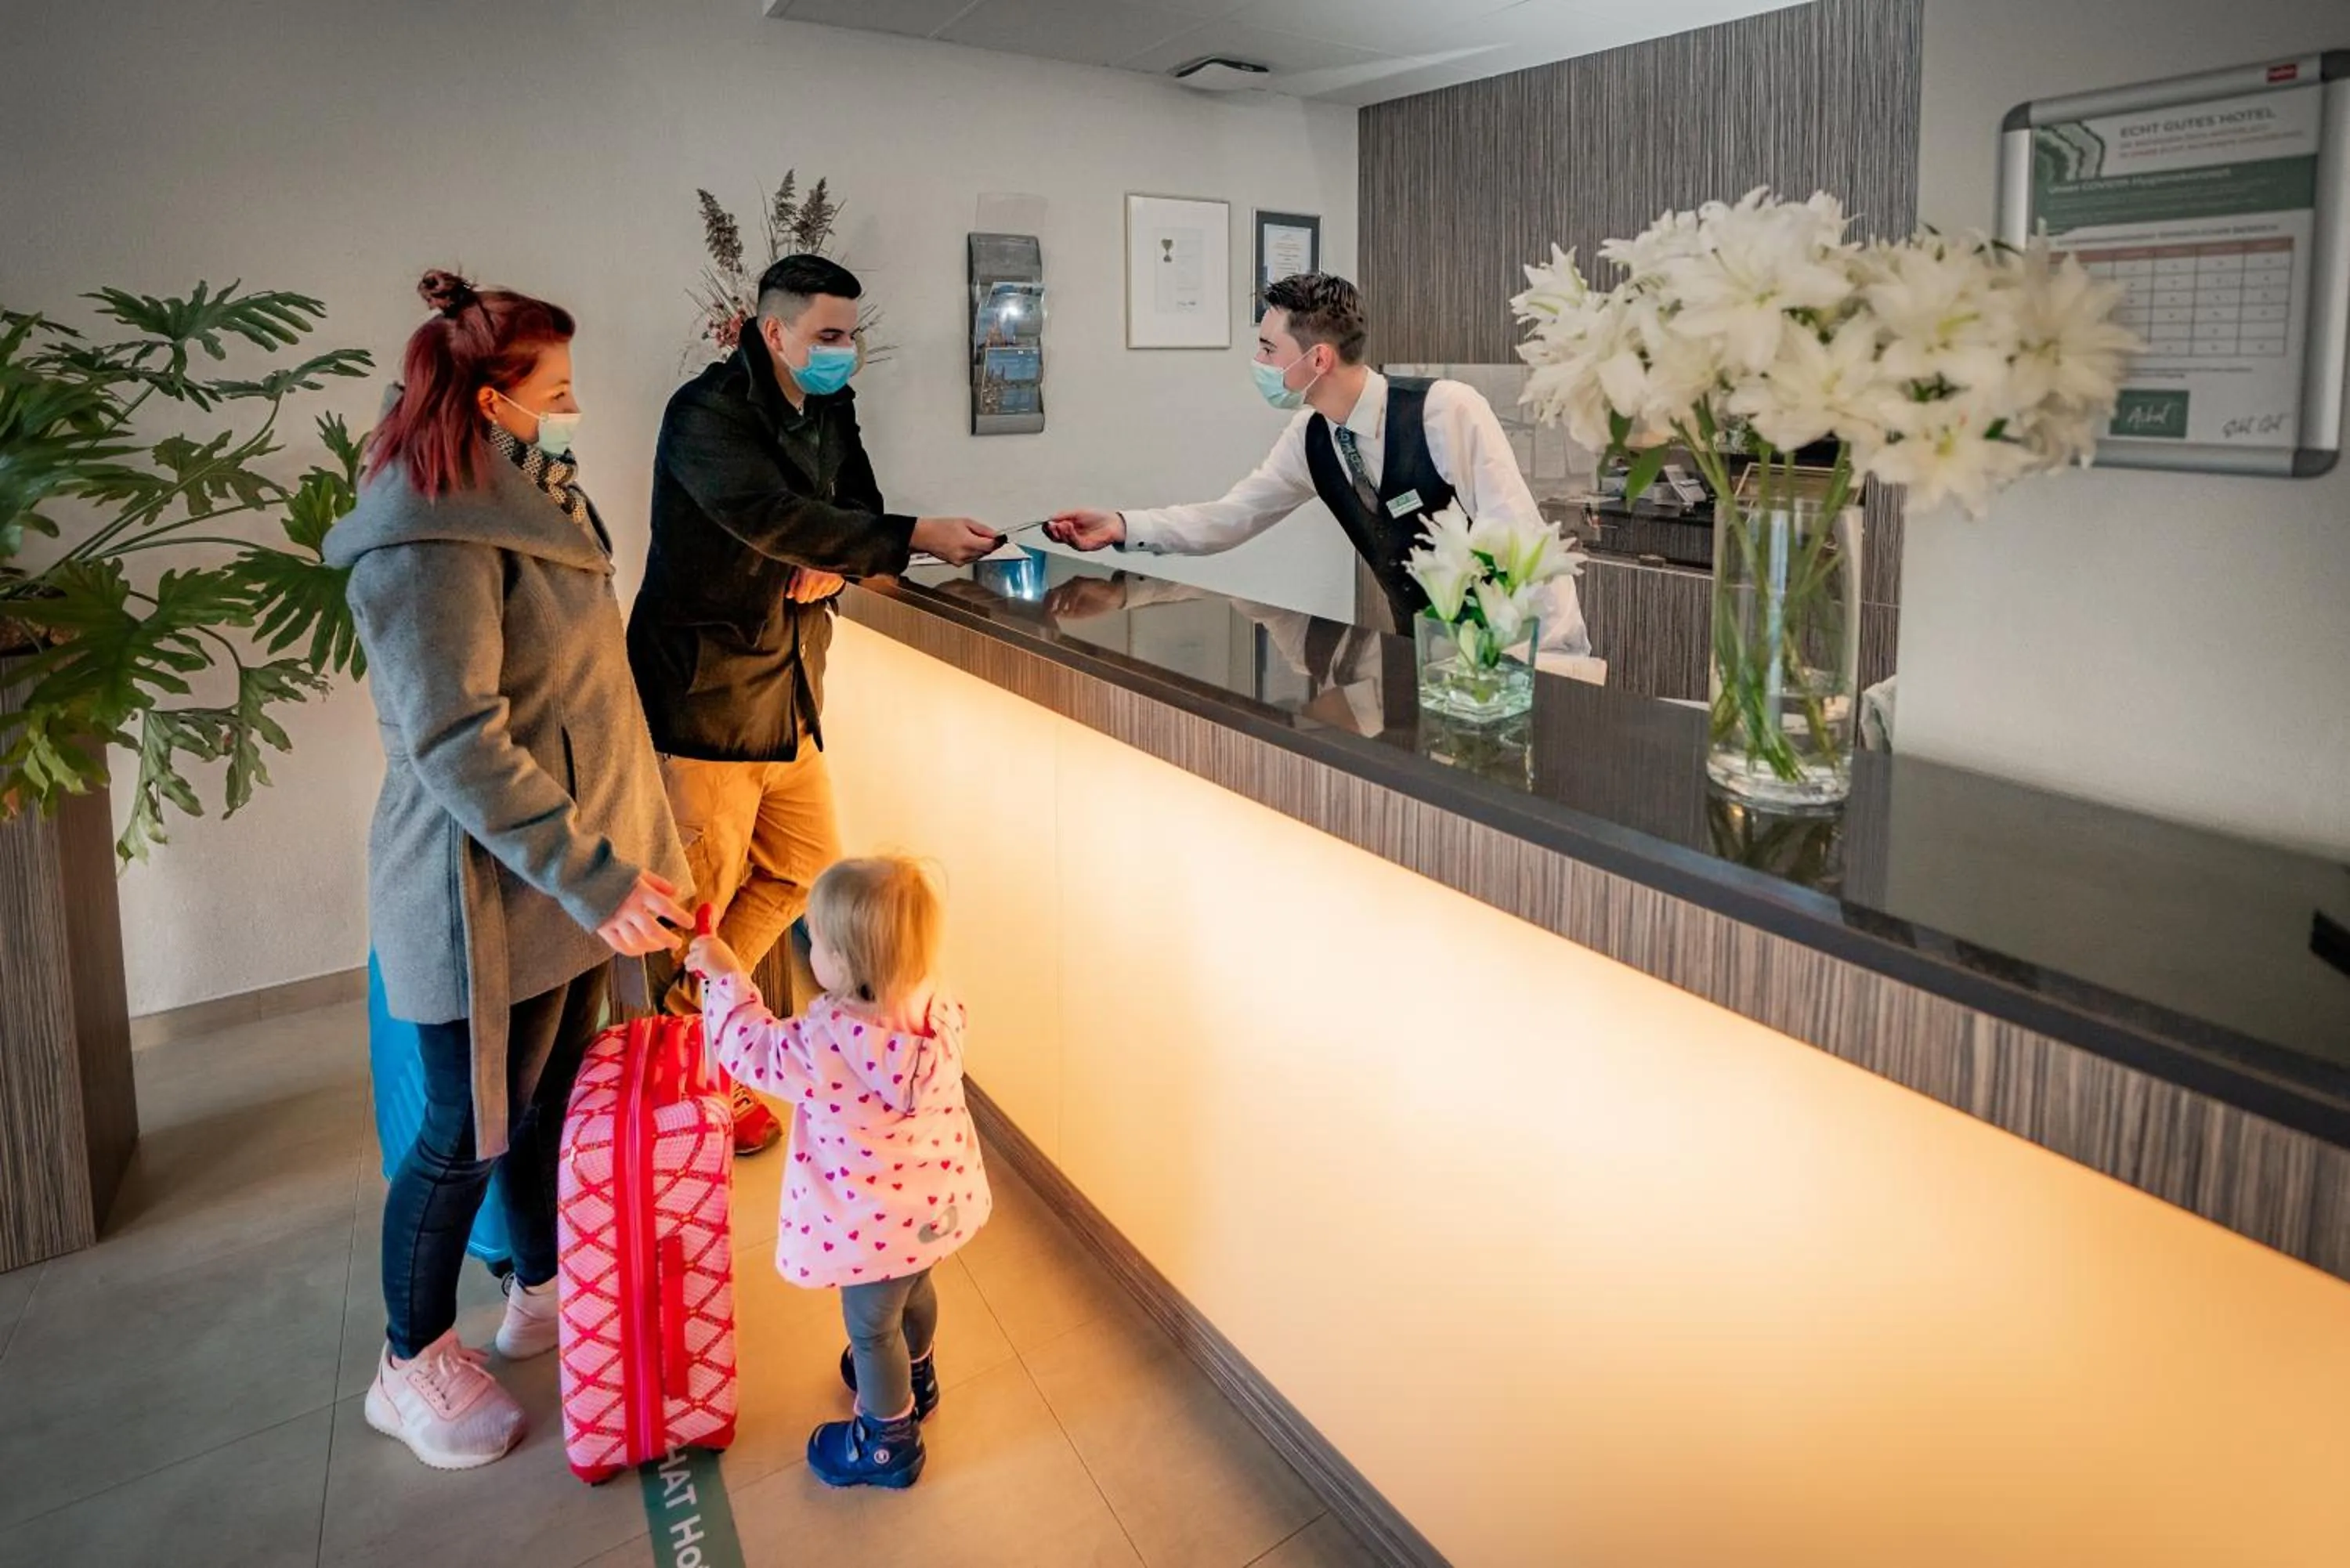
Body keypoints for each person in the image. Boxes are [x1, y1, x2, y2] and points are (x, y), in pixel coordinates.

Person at [327, 270, 692, 1471]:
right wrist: (596, 875)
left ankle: (541, 1287)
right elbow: (457, 742)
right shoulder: (425, 534)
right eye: (561, 389)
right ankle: (408, 1361)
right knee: (464, 1133)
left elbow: (585, 703)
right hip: (478, 887)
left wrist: (628, 864)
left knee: (542, 1107)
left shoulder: (533, 499)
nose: (574, 409)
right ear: (492, 401)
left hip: (565, 877)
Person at [630, 255, 999, 1160]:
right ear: (774, 331)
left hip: (791, 689)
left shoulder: (830, 405)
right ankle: (685, 1090)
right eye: (829, 335)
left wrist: (841, 562)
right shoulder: (706, 415)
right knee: (698, 908)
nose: (845, 352)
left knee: (803, 868)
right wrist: (908, 537)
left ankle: (705, 1039)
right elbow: (772, 518)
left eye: (850, 335)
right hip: (707, 700)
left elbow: (853, 507)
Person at [1047, 271, 1589, 652]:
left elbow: (1523, 546)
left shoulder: (1445, 410)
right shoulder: (1311, 438)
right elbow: (1232, 517)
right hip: (1424, 658)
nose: (1258, 361)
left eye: (1268, 349)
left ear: (1319, 358)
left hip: (1518, 658)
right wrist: (1122, 525)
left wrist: (1549, 668)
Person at [686, 855, 991, 1491]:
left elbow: (752, 1050)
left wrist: (725, 977)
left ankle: (887, 1441)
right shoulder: (939, 1007)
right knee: (915, 1289)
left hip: (875, 1228)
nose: (812, 947)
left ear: (848, 966)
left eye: (818, 941)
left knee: (872, 1331)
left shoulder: (827, 1042)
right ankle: (920, 1376)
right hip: (934, 1209)